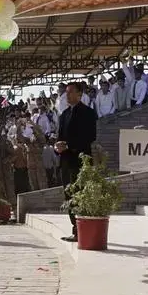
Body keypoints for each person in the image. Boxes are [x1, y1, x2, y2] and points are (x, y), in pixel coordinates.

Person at [56, 81, 98, 242]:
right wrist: (57, 145)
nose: (67, 95)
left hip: (80, 161)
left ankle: (81, 230)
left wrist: (69, 145)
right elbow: (60, 137)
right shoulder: (64, 114)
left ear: (80, 94)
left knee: (80, 194)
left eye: (71, 92)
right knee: (69, 196)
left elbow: (90, 137)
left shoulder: (87, 113)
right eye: (66, 92)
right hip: (65, 161)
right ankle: (75, 229)